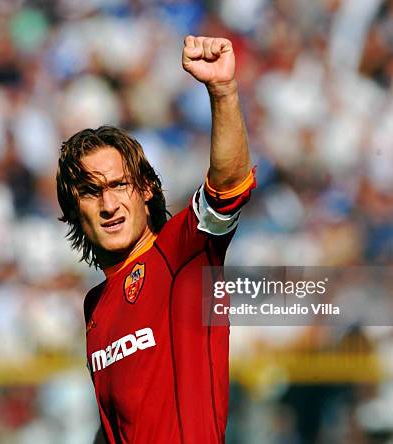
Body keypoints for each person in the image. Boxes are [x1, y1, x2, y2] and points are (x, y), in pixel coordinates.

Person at [56, 35, 256, 443]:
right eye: (92, 192)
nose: (109, 204)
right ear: (75, 208)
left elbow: (230, 186)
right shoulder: (95, 305)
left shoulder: (181, 254)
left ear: (146, 188)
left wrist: (222, 91)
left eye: (119, 185)